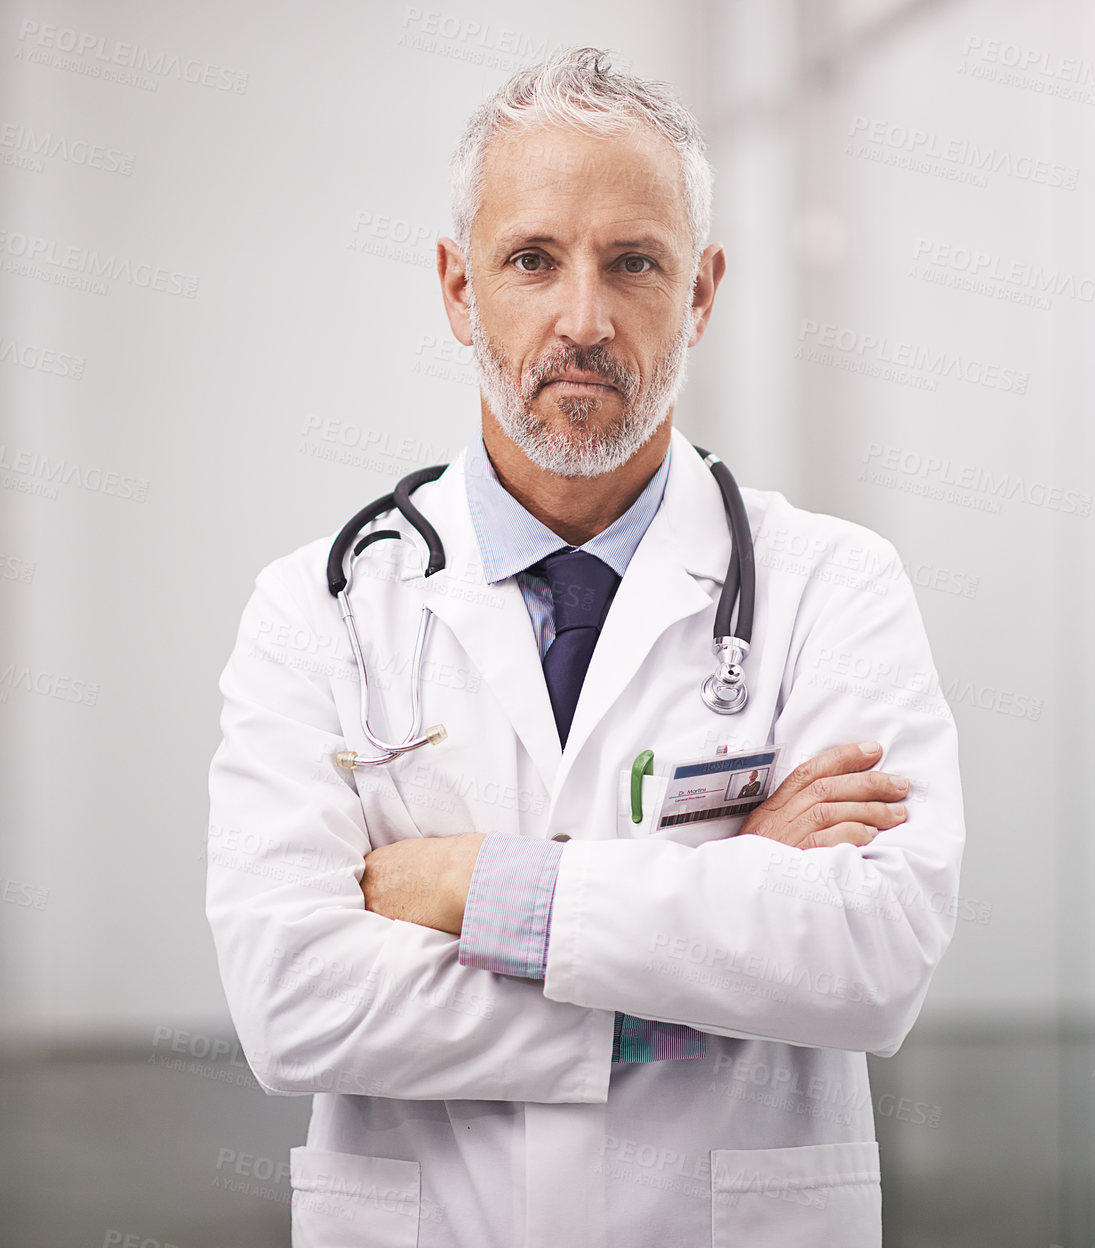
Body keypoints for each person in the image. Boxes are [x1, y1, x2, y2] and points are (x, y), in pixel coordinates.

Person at [206, 46, 964, 1248]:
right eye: (529, 260)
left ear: (701, 292)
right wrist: (693, 973)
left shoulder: (834, 586)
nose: (583, 319)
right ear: (458, 289)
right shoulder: (320, 612)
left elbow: (870, 958)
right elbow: (293, 1004)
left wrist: (474, 886)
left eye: (633, 263)